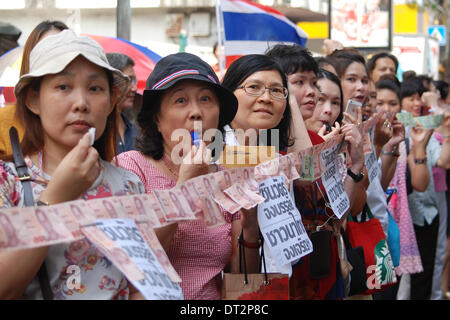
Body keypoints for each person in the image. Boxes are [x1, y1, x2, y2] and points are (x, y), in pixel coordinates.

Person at [0, 30, 145, 300]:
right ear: (33, 100)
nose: (81, 103)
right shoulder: (6, 183)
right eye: (63, 87)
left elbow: (139, 286)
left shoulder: (129, 185)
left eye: (95, 88)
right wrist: (54, 201)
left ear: (111, 101)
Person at [116, 52, 260, 300]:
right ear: (157, 120)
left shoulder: (227, 181)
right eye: (180, 101)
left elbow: (243, 279)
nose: (196, 112)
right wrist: (184, 189)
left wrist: (250, 226)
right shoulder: (131, 168)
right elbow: (135, 262)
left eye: (206, 99)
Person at [292, 68, 366, 300]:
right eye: (321, 99)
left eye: (335, 103)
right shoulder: (280, 143)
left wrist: (356, 165)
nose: (327, 110)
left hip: (326, 262)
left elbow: (342, 216)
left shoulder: (338, 147)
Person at [398, 79, 450, 300]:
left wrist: (445, 131)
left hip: (427, 212)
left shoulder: (424, 130)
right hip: (401, 215)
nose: (417, 103)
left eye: (419, 97)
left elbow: (441, 162)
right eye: (411, 98)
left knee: (424, 272)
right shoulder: (396, 132)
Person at [0, 20, 68, 157]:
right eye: (44, 52)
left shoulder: (88, 118)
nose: (53, 60)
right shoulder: (4, 122)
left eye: (61, 51)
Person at [106, 53, 140, 154]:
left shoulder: (136, 131)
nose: (134, 88)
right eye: (128, 80)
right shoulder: (96, 131)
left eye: (134, 81)